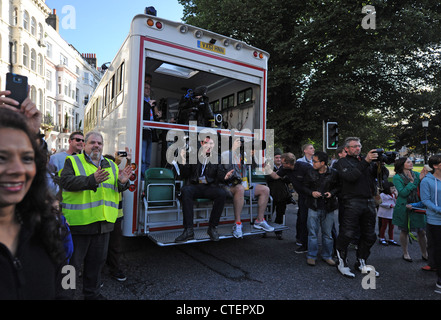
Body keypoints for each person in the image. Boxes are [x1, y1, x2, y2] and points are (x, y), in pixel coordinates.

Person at [0, 108, 68, 299]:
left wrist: (66, 295)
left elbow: (67, 273)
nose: (17, 169)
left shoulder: (47, 224)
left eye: (27, 158)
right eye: (2, 158)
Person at [60, 131, 132, 299]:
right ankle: (64, 295)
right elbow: (66, 182)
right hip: (79, 225)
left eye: (99, 143)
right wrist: (91, 180)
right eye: (92, 142)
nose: (96, 146)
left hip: (103, 224)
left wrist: (123, 183)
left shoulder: (111, 165)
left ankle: (92, 294)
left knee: (95, 264)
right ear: (84, 145)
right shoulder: (72, 161)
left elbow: (115, 189)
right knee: (70, 266)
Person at [333, 137, 384, 278]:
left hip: (368, 201)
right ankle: (342, 263)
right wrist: (367, 162)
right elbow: (350, 177)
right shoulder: (342, 162)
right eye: (354, 146)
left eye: (359, 146)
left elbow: (380, 176)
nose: (357, 148)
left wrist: (380, 163)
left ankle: (361, 262)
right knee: (347, 234)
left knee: (369, 235)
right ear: (346, 149)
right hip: (351, 202)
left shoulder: (365, 161)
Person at [175, 136, 228, 242]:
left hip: (209, 187)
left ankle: (212, 228)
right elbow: (184, 174)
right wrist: (184, 160)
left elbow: (220, 176)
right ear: (202, 143)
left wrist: (225, 176)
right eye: (207, 143)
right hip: (195, 186)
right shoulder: (194, 156)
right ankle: (188, 230)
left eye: (211, 144)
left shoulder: (217, 158)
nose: (209, 146)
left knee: (222, 193)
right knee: (186, 191)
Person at [221, 137, 274, 239]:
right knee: (240, 188)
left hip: (242, 185)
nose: (253, 151)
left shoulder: (245, 156)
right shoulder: (227, 154)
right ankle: (237, 223)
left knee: (265, 189)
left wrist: (251, 155)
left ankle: (259, 220)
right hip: (227, 186)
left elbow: (255, 166)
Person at [266, 152, 311, 251]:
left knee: (316, 221)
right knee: (302, 219)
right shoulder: (284, 168)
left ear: (288, 163)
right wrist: (267, 168)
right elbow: (276, 176)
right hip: (302, 197)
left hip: (312, 195)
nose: (281, 164)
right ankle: (304, 244)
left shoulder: (305, 167)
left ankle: (332, 248)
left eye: (283, 162)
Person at [303, 151, 339, 266]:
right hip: (313, 206)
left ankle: (327, 256)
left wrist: (332, 193)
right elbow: (303, 187)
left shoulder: (334, 173)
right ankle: (311, 256)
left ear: (323, 163)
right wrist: (311, 192)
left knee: (327, 234)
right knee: (312, 233)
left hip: (329, 207)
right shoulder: (310, 172)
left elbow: (339, 187)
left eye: (315, 161)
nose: (312, 163)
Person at [103, 148, 132, 282]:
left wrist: (129, 160)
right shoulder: (100, 174)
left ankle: (114, 269)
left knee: (114, 246)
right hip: (102, 216)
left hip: (116, 216)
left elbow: (125, 174)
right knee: (100, 247)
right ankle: (96, 271)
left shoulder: (118, 174)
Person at [392, 157, 428, 262]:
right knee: (405, 230)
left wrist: (422, 179)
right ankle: (405, 253)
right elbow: (403, 193)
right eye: (408, 162)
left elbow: (423, 186)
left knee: (422, 232)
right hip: (404, 207)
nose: (411, 163)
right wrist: (413, 182)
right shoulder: (397, 177)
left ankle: (425, 253)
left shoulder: (416, 174)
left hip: (418, 205)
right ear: (402, 164)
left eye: (410, 161)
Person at [420, 154, 441, 293]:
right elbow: (425, 200)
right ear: (435, 165)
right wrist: (439, 210)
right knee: (439, 250)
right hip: (435, 221)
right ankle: (440, 280)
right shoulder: (427, 181)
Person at [48, 131, 84, 197]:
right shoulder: (55, 158)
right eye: (78, 140)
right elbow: (47, 179)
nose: (81, 142)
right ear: (70, 141)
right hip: (61, 201)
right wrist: (56, 195)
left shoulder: (85, 160)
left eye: (83, 140)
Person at [266, 148, 292, 240]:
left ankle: (278, 232)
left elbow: (288, 179)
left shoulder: (285, 168)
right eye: (276, 157)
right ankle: (265, 230)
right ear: (273, 158)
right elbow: (267, 179)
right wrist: (278, 176)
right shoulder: (269, 167)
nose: (278, 159)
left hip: (282, 195)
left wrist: (277, 176)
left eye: (280, 157)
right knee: (268, 214)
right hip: (271, 194)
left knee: (280, 215)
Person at [141, 79, 162, 177]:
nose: (148, 90)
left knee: (148, 159)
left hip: (149, 133)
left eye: (149, 88)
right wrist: (148, 105)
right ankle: (141, 177)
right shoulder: (141, 101)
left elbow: (152, 120)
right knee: (143, 158)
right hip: (143, 133)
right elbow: (141, 114)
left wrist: (158, 116)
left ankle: (145, 176)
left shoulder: (151, 104)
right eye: (146, 88)